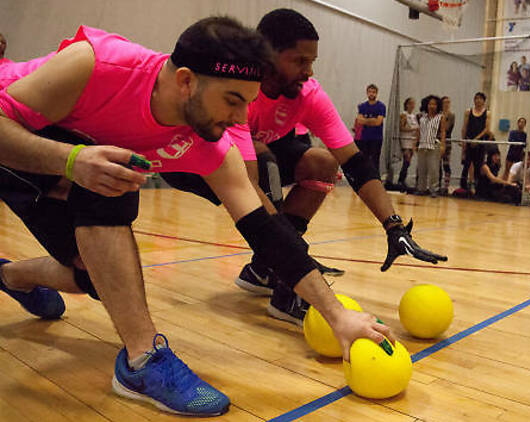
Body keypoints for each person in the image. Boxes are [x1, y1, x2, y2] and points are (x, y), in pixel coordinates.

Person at [0, 19, 393, 416]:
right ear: (186, 81)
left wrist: (337, 314)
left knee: (100, 279)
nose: (241, 119)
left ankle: (9, 277)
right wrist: (71, 161)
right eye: (233, 100)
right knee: (113, 182)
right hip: (20, 142)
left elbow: (267, 229)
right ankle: (142, 361)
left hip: (74, 167)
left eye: (247, 103)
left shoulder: (211, 143)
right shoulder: (96, 64)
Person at [162, 9, 447, 324]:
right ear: (267, 55)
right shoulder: (239, 89)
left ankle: (263, 270)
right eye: (300, 61)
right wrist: (297, 261)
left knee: (323, 163)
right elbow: (249, 192)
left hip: (256, 160)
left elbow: (355, 162)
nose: (309, 71)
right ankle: (286, 288)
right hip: (194, 163)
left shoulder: (309, 94)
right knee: (263, 162)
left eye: (312, 62)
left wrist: (394, 227)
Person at [460, 92, 491, 195]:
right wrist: (464, 140)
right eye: (476, 98)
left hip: (480, 142)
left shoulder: (487, 113)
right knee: (466, 164)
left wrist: (476, 139)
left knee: (478, 165)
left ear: (484, 101)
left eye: (480, 99)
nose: (478, 100)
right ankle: (463, 187)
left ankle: (478, 189)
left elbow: (486, 129)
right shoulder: (468, 112)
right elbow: (465, 127)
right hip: (469, 141)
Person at [415, 95, 446, 197]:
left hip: (434, 145)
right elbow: (419, 131)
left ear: (438, 106)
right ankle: (421, 188)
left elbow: (443, 132)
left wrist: (443, 145)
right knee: (421, 169)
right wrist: (416, 143)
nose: (432, 106)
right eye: (430, 104)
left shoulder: (440, 117)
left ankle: (434, 190)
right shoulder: (422, 117)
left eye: (434, 104)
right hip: (422, 145)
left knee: (433, 169)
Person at [355, 83, 386, 175]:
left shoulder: (381, 106)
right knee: (364, 159)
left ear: (376, 93)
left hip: (376, 138)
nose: (371, 94)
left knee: (374, 160)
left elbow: (378, 122)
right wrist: (372, 120)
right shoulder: (362, 106)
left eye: (373, 92)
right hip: (364, 137)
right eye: (369, 92)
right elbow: (359, 121)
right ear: (367, 93)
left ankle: (375, 179)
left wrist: (366, 120)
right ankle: (364, 179)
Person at [397, 97, 418, 190]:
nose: (412, 106)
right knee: (407, 160)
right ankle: (401, 179)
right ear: (406, 105)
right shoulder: (403, 115)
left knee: (409, 161)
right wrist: (414, 129)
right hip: (405, 140)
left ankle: (403, 179)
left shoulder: (413, 116)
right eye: (410, 104)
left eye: (413, 104)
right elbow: (401, 128)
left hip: (412, 140)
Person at [439, 96, 455, 194]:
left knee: (446, 164)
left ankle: (446, 186)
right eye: (445, 102)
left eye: (448, 102)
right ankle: (438, 185)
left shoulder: (451, 115)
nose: (447, 104)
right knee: (437, 164)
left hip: (447, 141)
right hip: (438, 141)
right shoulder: (438, 114)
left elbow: (447, 128)